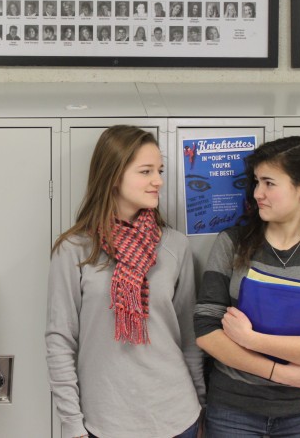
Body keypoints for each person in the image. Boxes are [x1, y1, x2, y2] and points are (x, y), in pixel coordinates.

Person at [195, 136, 300, 438]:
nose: (258, 193)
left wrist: (250, 339)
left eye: (270, 183)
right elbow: (207, 332)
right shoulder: (232, 242)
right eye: (257, 182)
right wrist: (279, 372)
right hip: (233, 409)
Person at [46, 126, 204, 438]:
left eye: (159, 170)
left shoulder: (174, 245)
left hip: (177, 415)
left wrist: (202, 406)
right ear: (113, 176)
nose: (158, 180)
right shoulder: (75, 249)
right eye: (146, 171)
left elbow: (189, 336)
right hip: (104, 421)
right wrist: (72, 424)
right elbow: (59, 340)